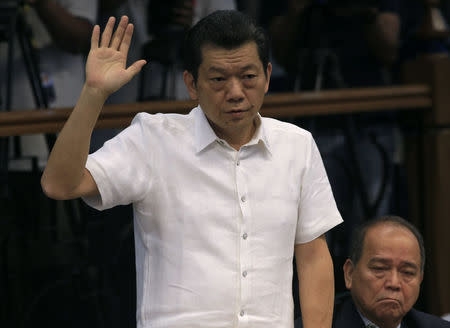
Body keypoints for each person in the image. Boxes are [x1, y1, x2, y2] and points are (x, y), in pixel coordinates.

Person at [41, 10, 343, 327]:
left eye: (248, 77)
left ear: (267, 76)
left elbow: (313, 257)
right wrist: (94, 94)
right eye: (218, 79)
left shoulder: (297, 145)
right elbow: (60, 185)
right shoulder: (153, 140)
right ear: (191, 84)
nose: (236, 92)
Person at [334, 215, 450, 328]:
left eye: (407, 272)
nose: (394, 283)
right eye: (379, 268)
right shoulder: (322, 321)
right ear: (350, 274)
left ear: (420, 280)